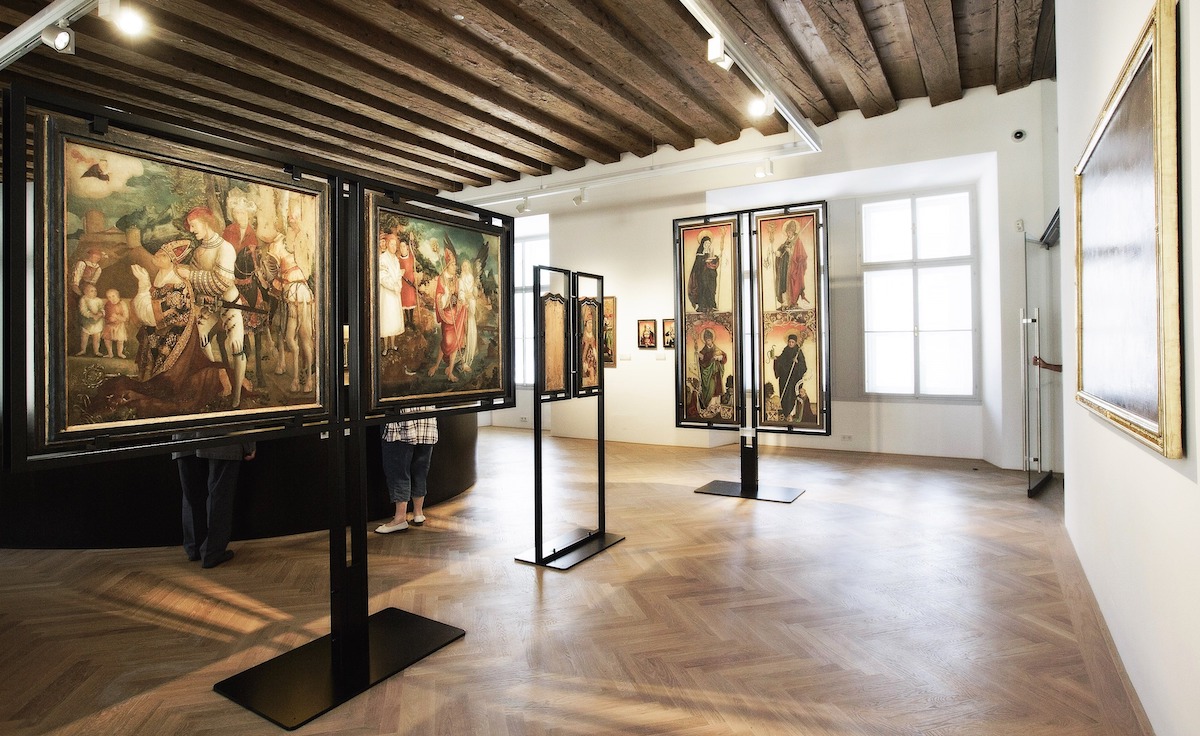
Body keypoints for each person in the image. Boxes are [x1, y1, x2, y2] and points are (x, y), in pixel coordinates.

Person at [177, 206, 249, 406]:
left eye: (194, 225)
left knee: (236, 345)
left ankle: (237, 396)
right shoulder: (199, 251)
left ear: (206, 222)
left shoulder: (225, 248)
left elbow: (222, 282)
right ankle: (220, 378)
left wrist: (191, 275)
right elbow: (195, 285)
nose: (191, 230)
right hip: (210, 307)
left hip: (230, 304)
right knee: (200, 338)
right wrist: (192, 282)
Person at [174, 439, 256, 568]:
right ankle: (212, 552)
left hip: (184, 435)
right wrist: (249, 444)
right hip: (223, 435)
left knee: (192, 493)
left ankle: (194, 547)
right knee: (219, 493)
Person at [376, 410, 438, 534]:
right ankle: (418, 513)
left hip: (401, 420)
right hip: (426, 419)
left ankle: (400, 518)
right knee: (420, 470)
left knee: (398, 471)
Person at [378, 231, 405, 354]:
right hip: (387, 294)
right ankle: (385, 347)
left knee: (393, 319)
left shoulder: (396, 259)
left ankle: (393, 344)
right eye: (392, 244)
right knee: (386, 319)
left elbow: (398, 275)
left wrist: (398, 285)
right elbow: (383, 277)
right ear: (387, 244)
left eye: (395, 245)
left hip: (395, 294)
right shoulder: (383, 259)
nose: (394, 247)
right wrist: (393, 286)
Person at [774, 333, 807, 421]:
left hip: (793, 379)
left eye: (792, 342)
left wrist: (797, 362)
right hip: (784, 378)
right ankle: (785, 413)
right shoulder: (785, 350)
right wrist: (776, 359)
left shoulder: (798, 352)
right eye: (789, 342)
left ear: (795, 343)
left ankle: (790, 414)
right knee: (784, 395)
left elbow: (804, 367)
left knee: (791, 396)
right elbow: (781, 360)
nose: (791, 344)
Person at [687, 230, 720, 312]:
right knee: (704, 289)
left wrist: (716, 258)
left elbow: (714, 262)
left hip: (710, 275)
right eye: (706, 243)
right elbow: (698, 264)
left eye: (709, 243)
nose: (707, 245)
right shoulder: (699, 253)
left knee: (711, 289)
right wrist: (705, 261)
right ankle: (702, 306)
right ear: (703, 244)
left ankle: (712, 305)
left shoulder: (711, 252)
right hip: (702, 275)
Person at [696, 328, 726, 411]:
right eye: (706, 340)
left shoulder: (717, 349)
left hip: (716, 374)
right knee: (710, 389)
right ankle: (709, 406)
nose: (707, 342)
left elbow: (724, 357)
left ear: (712, 340)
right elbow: (702, 363)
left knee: (717, 389)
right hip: (708, 376)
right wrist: (701, 358)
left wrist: (720, 357)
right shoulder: (703, 351)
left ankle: (717, 405)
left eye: (709, 340)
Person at [76, 283, 105, 356]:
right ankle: (83, 350)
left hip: (97, 321)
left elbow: (102, 308)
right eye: (92, 291)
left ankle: (96, 351)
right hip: (87, 321)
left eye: (95, 291)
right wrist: (92, 315)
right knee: (84, 336)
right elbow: (83, 311)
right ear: (85, 292)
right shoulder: (83, 299)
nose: (94, 292)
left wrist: (100, 313)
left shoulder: (98, 300)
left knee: (96, 337)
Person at [101, 287, 129, 358]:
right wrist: (106, 317)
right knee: (107, 338)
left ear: (118, 295)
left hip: (119, 325)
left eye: (113, 296)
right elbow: (105, 314)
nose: (111, 299)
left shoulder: (122, 304)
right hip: (109, 324)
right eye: (109, 297)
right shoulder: (107, 304)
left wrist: (117, 317)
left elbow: (126, 317)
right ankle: (110, 353)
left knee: (120, 340)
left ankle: (120, 353)